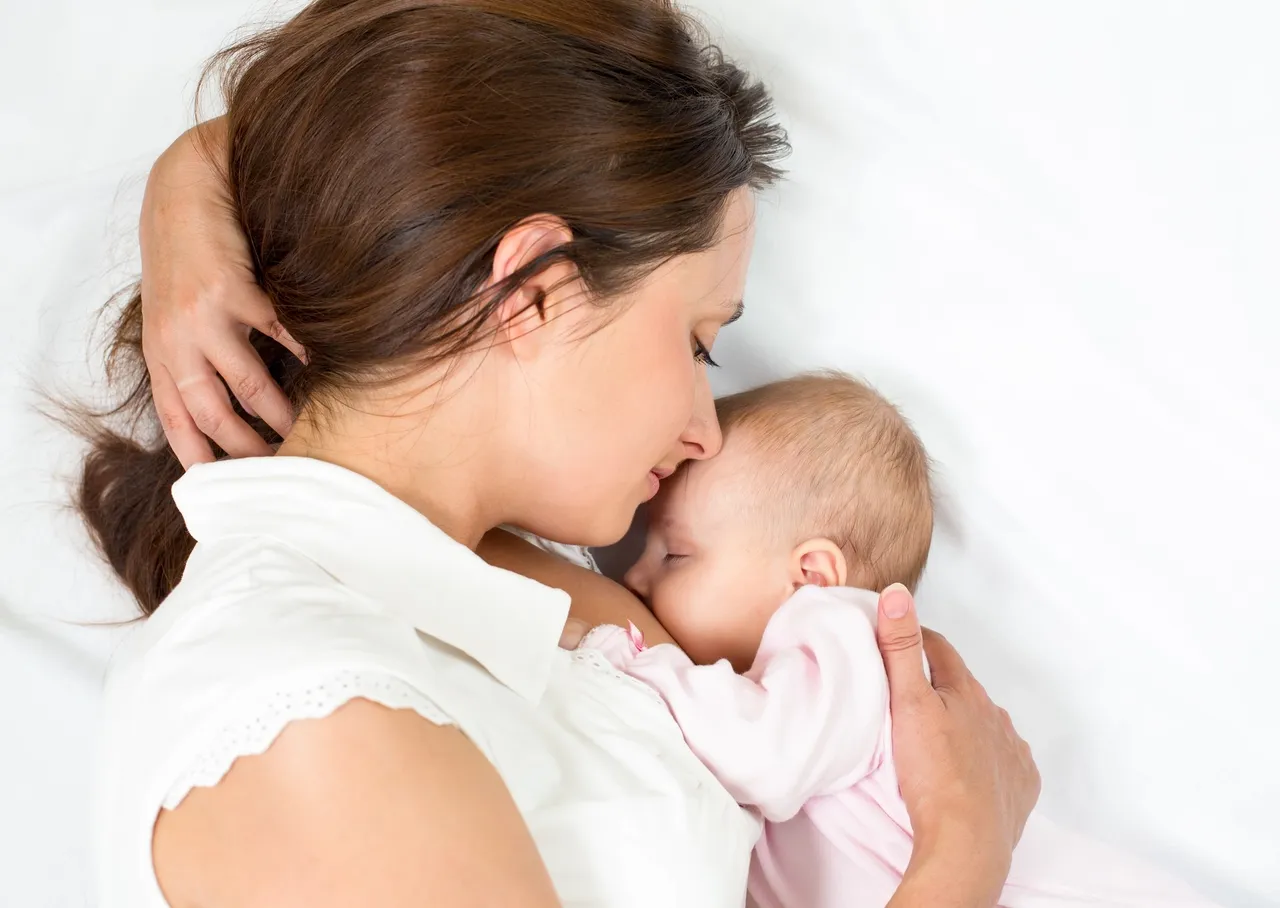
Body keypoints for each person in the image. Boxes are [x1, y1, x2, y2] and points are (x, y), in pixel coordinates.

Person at [81, 1, 1040, 906]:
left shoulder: (523, 598)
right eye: (698, 341)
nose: (708, 429)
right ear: (535, 291)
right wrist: (960, 851)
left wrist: (199, 174)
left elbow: (387, 134)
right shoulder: (310, 716)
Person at [571, 372, 1217, 908]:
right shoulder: (803, 668)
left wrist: (627, 660)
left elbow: (759, 755)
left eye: (674, 555)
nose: (634, 575)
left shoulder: (835, 635)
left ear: (811, 575)